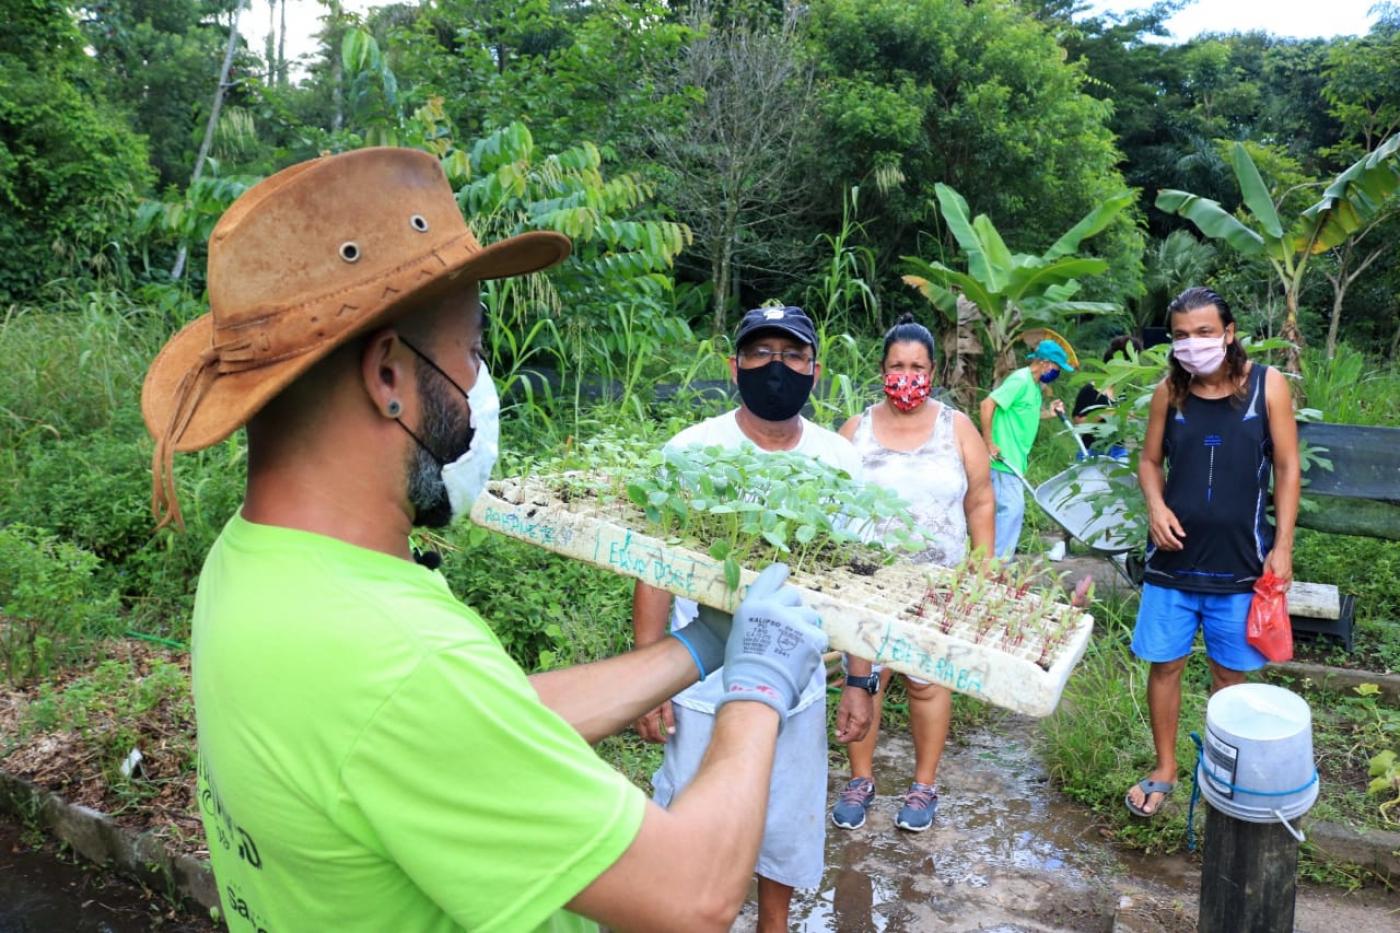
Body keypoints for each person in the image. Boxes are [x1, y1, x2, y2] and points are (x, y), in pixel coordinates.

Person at [140, 148, 830, 932]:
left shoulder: (251, 560)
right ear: (389, 377)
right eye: (472, 351)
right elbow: (695, 893)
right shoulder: (399, 660)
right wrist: (761, 686)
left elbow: (481, 724)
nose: (479, 387)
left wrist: (698, 648)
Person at [631, 305, 874, 933]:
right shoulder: (693, 451)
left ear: (815, 371)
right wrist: (646, 676)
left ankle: (774, 925)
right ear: (733, 365)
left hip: (797, 687)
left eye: (792, 356)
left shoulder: (838, 461)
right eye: (761, 353)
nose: (776, 368)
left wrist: (858, 678)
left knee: (786, 822)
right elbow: (655, 567)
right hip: (698, 686)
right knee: (687, 821)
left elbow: (860, 582)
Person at [1125, 286, 1300, 818]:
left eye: (1204, 332)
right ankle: (1164, 768)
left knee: (1229, 675)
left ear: (1228, 332)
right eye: (1181, 335)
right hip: (1172, 565)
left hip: (1242, 564)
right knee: (1166, 666)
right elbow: (1150, 462)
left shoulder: (1267, 388)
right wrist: (1154, 506)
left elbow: (1288, 468)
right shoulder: (1168, 394)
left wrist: (1284, 546)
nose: (1193, 344)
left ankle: (1227, 772)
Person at [829, 313, 995, 834]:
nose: (907, 375)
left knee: (927, 685)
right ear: (882, 369)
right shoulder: (855, 430)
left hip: (936, 588)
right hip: (867, 584)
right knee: (865, 680)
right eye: (897, 365)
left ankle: (923, 786)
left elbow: (981, 499)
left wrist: (981, 570)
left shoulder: (957, 428)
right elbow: (829, 503)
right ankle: (860, 780)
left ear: (933, 370)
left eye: (917, 366)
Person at [979, 339, 1074, 557]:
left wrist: (1049, 412)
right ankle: (997, 565)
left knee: (1005, 511)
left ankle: (992, 561)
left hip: (1016, 460)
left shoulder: (1033, 386)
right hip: (1003, 459)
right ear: (1045, 363)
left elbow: (1027, 413)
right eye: (1057, 368)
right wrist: (989, 442)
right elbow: (987, 404)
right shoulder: (1020, 380)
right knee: (1012, 510)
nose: (1057, 373)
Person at [1072, 335, 1144, 459]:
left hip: (1120, 452)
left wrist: (1134, 455)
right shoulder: (1090, 390)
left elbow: (1129, 431)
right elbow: (1078, 424)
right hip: (1093, 451)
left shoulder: (1123, 395)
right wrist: (1104, 414)